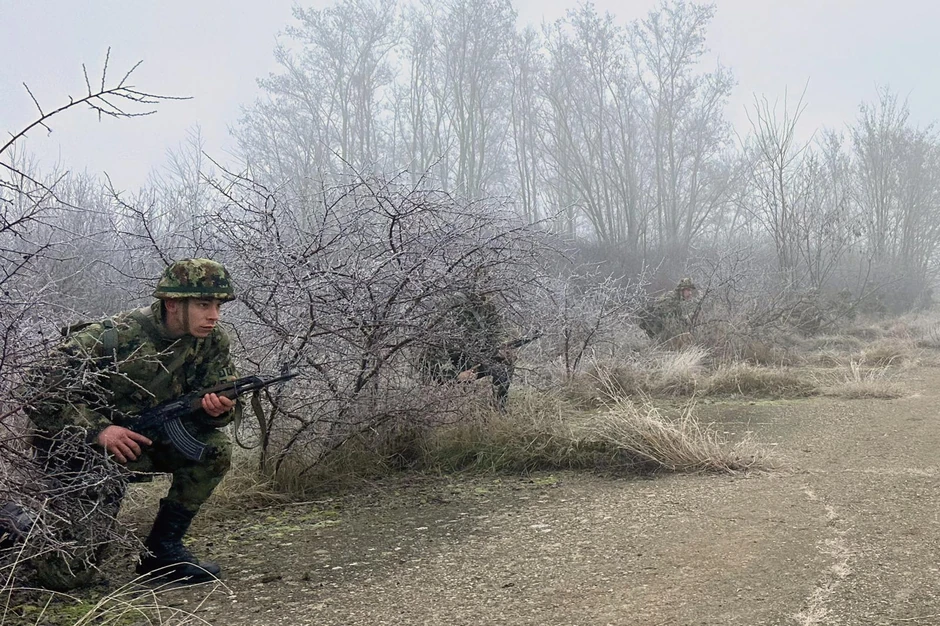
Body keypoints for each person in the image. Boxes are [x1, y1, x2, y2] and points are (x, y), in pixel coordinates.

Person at [26, 258, 241, 585]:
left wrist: (217, 410)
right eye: (203, 305)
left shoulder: (211, 341)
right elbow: (36, 389)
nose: (214, 315)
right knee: (67, 578)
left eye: (217, 306)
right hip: (82, 453)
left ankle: (162, 552)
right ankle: (16, 524)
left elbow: (216, 406)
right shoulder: (111, 337)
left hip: (145, 440)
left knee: (213, 450)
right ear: (172, 304)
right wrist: (99, 430)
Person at [421, 289, 515, 410]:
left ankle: (498, 409)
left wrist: (502, 350)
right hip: (441, 366)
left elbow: (496, 333)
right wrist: (456, 375)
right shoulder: (451, 305)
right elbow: (433, 349)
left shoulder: (487, 306)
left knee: (504, 366)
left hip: (469, 359)